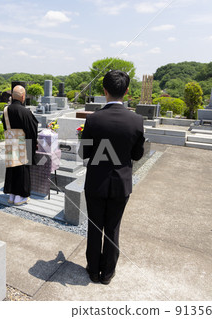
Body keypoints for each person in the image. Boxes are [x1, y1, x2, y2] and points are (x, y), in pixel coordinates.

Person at [79, 70, 145, 284]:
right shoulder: (136, 120)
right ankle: (107, 273)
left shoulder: (94, 120)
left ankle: (92, 269)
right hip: (121, 182)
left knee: (94, 226)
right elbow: (137, 154)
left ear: (104, 91)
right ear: (126, 91)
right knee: (113, 228)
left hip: (96, 182)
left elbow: (84, 153)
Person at [2, 85, 38, 205]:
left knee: (12, 168)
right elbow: (32, 130)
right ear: (23, 97)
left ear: (12, 96)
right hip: (22, 143)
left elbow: (5, 126)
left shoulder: (6, 110)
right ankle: (20, 197)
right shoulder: (26, 112)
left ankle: (11, 196)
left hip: (11, 141)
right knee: (22, 170)